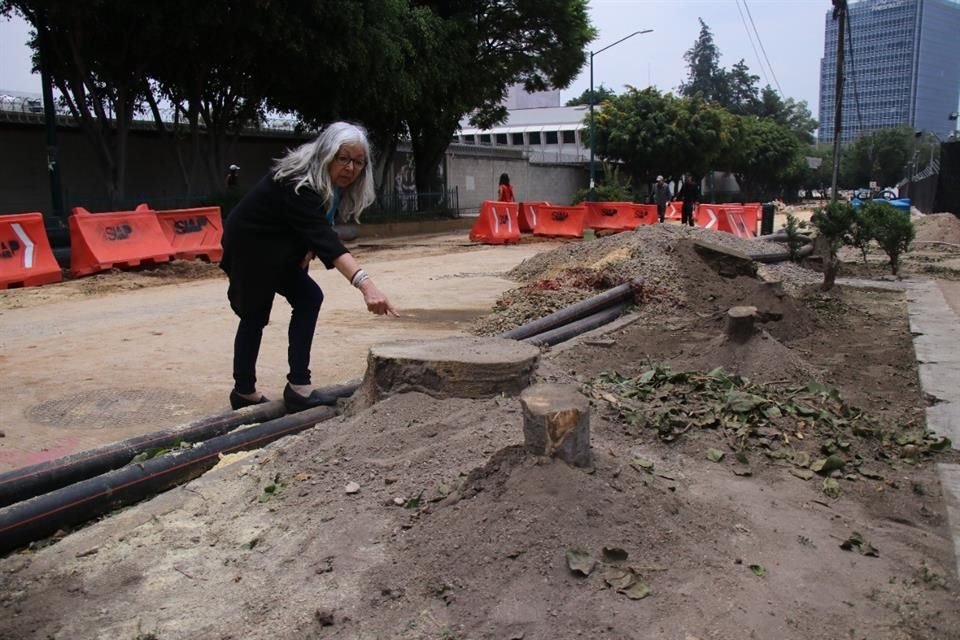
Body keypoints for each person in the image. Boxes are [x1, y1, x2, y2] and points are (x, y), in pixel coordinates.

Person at [220, 121, 398, 413]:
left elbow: (315, 228)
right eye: (343, 158)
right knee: (255, 314)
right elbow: (329, 240)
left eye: (358, 162)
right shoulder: (299, 183)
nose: (350, 168)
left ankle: (298, 387)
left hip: (279, 245)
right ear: (327, 154)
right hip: (251, 246)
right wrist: (367, 287)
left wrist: (307, 246)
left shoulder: (328, 185)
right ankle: (244, 392)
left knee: (309, 297)